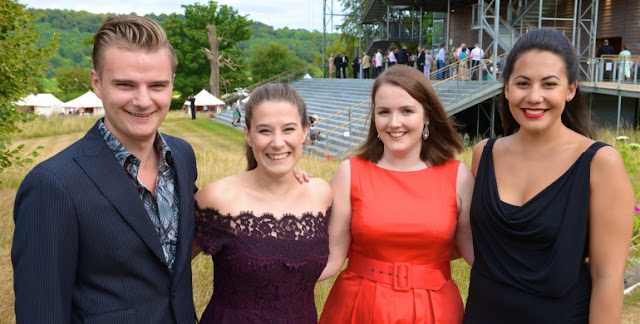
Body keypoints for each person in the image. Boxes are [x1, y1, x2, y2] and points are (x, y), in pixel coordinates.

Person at [12, 15, 198, 323]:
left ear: (171, 84)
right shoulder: (52, 185)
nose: (143, 100)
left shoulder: (182, 156)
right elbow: (41, 312)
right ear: (97, 83)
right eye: (125, 84)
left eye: (157, 85)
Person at [463, 28, 634, 323]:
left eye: (549, 84)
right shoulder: (484, 154)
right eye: (523, 83)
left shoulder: (599, 164)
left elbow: (607, 276)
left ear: (570, 90)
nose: (534, 96)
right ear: (506, 88)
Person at [318, 64, 475, 323]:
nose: (394, 123)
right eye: (384, 112)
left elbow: (473, 254)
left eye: (406, 111)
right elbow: (332, 258)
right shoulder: (349, 172)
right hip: (359, 306)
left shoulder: (459, 177)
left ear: (427, 116)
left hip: (434, 310)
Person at [194, 83, 332, 323]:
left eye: (288, 129)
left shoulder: (321, 193)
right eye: (265, 131)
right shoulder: (217, 199)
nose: (277, 143)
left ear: (304, 131)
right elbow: (170, 270)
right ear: (248, 134)